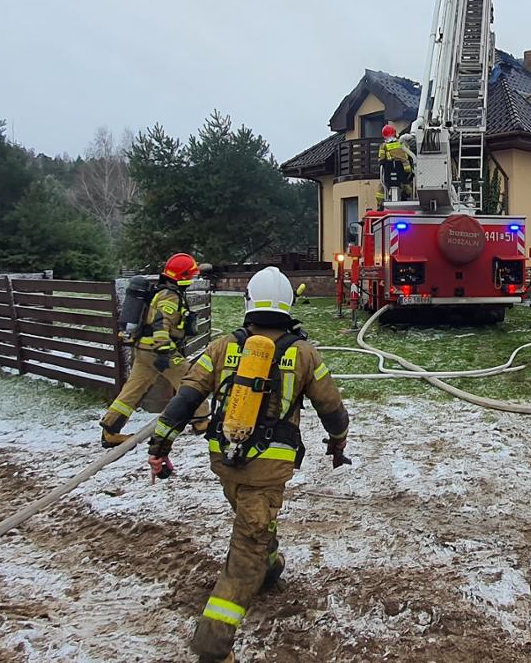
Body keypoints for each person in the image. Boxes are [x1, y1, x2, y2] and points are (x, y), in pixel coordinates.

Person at [148, 267, 350, 663]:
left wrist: (160, 443)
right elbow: (332, 408)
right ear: (288, 305)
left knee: (251, 519)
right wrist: (338, 442)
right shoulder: (304, 353)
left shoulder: (222, 347)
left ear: (249, 304)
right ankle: (213, 645)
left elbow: (186, 397)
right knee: (246, 553)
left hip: (225, 460)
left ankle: (270, 567)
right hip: (269, 468)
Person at [97, 253, 201, 447]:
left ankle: (110, 430)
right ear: (183, 276)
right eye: (191, 275)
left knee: (132, 390)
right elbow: (162, 322)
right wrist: (164, 350)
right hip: (157, 350)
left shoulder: (162, 292)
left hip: (144, 350)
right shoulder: (170, 296)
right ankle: (202, 421)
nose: (193, 279)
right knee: (192, 379)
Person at [377, 123, 413, 203]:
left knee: (381, 188)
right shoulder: (403, 143)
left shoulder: (383, 146)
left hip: (390, 170)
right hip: (406, 170)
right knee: (407, 184)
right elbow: (410, 155)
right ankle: (405, 196)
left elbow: (381, 159)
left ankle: (380, 204)